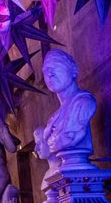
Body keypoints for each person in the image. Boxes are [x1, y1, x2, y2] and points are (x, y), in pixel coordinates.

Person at [35, 49, 97, 193]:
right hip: (65, 173)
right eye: (45, 71)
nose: (49, 74)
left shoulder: (83, 103)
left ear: (73, 70)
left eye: (55, 66)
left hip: (80, 174)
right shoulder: (54, 117)